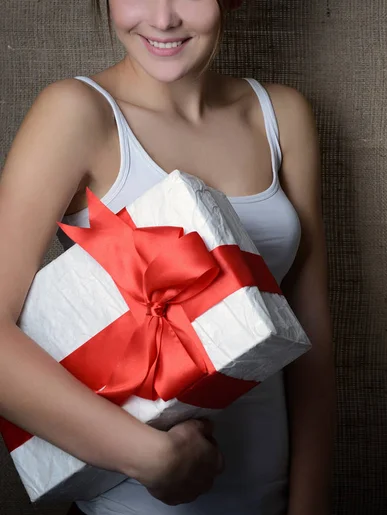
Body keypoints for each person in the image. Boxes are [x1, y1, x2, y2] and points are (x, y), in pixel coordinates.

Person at [0, 0, 335, 513]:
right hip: (134, 500)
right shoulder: (77, 112)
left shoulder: (281, 114)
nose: (162, 18)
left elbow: (310, 337)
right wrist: (150, 457)